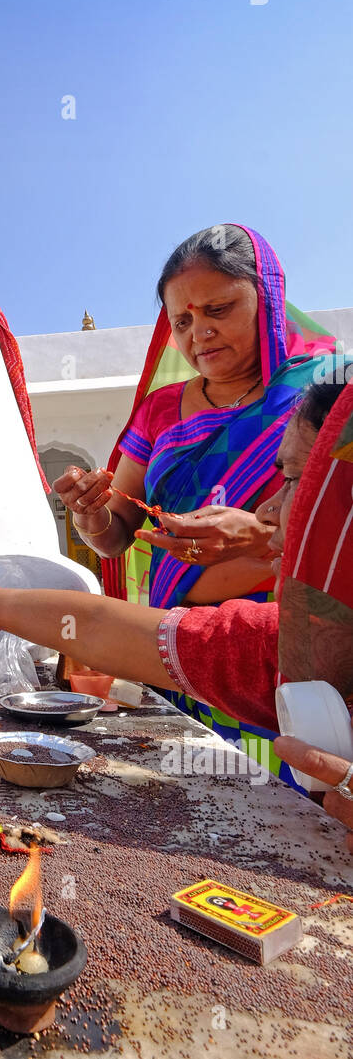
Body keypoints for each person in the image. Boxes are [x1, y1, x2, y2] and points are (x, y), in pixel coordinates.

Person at [0, 378, 353, 845]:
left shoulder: (309, 640)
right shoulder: (285, 642)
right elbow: (98, 625)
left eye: (294, 480)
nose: (265, 514)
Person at [54, 224, 337, 770]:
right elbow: (116, 534)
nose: (199, 333)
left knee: (295, 792)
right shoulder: (160, 411)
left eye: (218, 310)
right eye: (181, 321)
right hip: (177, 650)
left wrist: (263, 535)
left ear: (268, 299)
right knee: (197, 791)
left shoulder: (328, 391)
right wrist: (90, 513)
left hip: (286, 647)